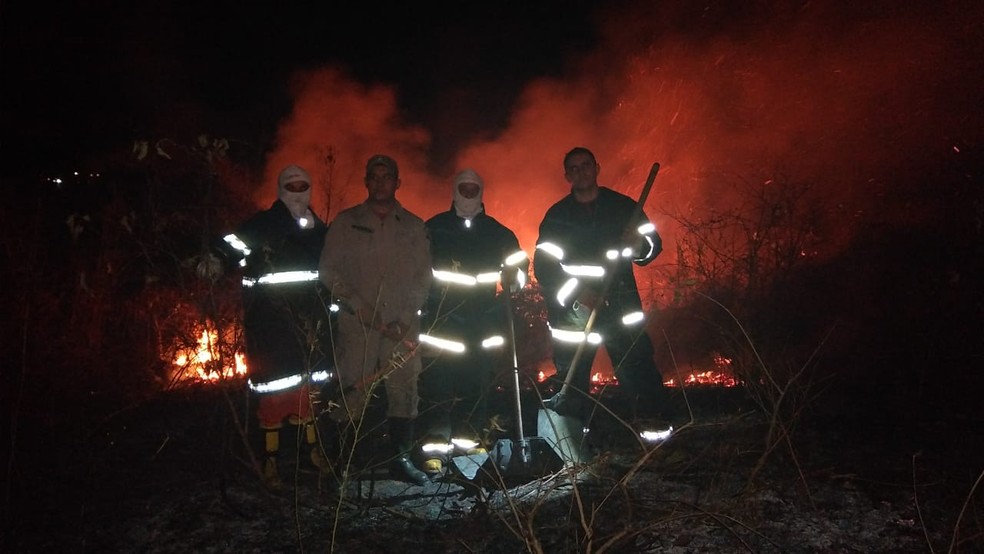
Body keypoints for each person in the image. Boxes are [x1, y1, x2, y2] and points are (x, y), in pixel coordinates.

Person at [318, 154, 433, 486]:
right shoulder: (346, 222)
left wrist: (405, 317)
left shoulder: (414, 226)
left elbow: (423, 278)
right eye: (374, 176)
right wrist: (357, 306)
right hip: (358, 327)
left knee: (404, 390)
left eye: (388, 177)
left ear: (398, 183)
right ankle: (344, 463)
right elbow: (328, 271)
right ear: (366, 181)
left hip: (403, 328)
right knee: (352, 387)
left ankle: (400, 460)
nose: (381, 182)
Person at [218, 164, 334, 490]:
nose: (298, 192)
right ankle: (271, 462)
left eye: (303, 186)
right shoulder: (264, 224)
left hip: (309, 326)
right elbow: (234, 244)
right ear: (281, 190)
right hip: (271, 324)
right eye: (291, 186)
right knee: (273, 395)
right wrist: (215, 257)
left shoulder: (319, 230)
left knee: (307, 394)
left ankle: (306, 458)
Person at [533, 147, 665, 422]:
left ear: (597, 168)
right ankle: (572, 444)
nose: (581, 172)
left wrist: (639, 244)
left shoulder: (624, 208)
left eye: (586, 165)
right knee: (572, 379)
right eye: (575, 168)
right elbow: (544, 267)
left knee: (637, 368)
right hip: (573, 314)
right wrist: (579, 293)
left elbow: (653, 246)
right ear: (567, 175)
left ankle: (655, 432)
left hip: (620, 304)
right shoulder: (557, 216)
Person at [417, 168, 528, 474]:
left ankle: (468, 446)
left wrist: (514, 277)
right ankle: (434, 449)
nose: (467, 194)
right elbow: (415, 268)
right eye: (462, 189)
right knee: (438, 387)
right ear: (453, 191)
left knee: (476, 384)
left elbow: (520, 269)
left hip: (482, 322)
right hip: (442, 322)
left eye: (473, 189)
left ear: (481, 192)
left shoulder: (498, 232)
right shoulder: (434, 229)